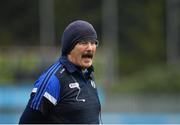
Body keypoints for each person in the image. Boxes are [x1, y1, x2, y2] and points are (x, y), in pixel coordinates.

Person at [19, 20, 101, 124]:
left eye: (93, 42)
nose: (90, 48)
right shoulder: (53, 80)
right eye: (83, 42)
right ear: (70, 47)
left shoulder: (89, 76)